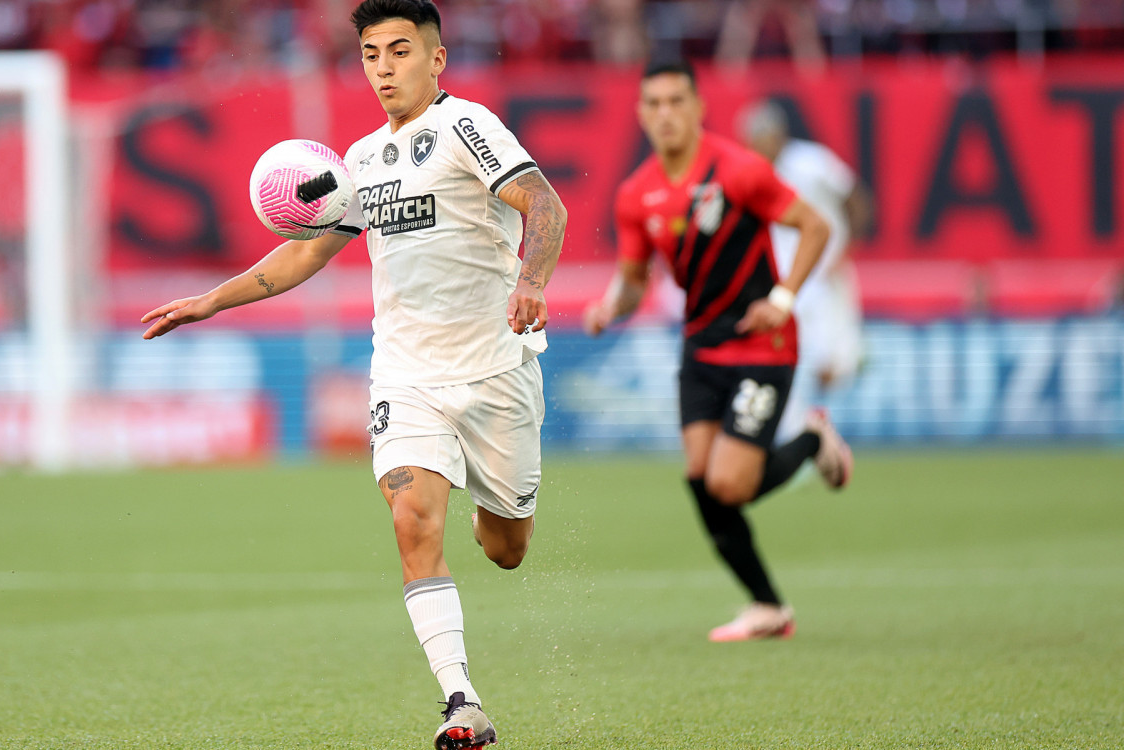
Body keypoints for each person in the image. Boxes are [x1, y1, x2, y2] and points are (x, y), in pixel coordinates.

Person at [142, 2, 566, 747]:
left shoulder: (468, 127)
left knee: (507, 550)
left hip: (496, 371)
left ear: (435, 60)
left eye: (400, 51)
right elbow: (303, 254)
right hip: (405, 376)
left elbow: (546, 205)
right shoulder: (360, 162)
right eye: (372, 54)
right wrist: (211, 300)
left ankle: (486, 507)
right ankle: (461, 701)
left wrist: (532, 279)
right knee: (410, 520)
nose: (384, 67)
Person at [583, 60, 851, 642]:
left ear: (699, 107)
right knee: (702, 479)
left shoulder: (741, 170)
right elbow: (633, 280)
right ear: (641, 115)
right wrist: (610, 307)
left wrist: (783, 298)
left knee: (729, 486)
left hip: (763, 344)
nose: (665, 114)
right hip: (701, 348)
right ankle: (767, 607)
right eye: (653, 104)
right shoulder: (636, 194)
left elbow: (816, 228)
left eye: (677, 101)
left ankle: (812, 439)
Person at [739, 99, 870, 448]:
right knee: (791, 359)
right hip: (788, 280)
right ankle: (801, 439)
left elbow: (855, 196)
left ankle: (825, 433)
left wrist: (847, 247)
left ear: (777, 134)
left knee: (833, 365)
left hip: (825, 273)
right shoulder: (751, 173)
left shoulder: (811, 162)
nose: (757, 144)